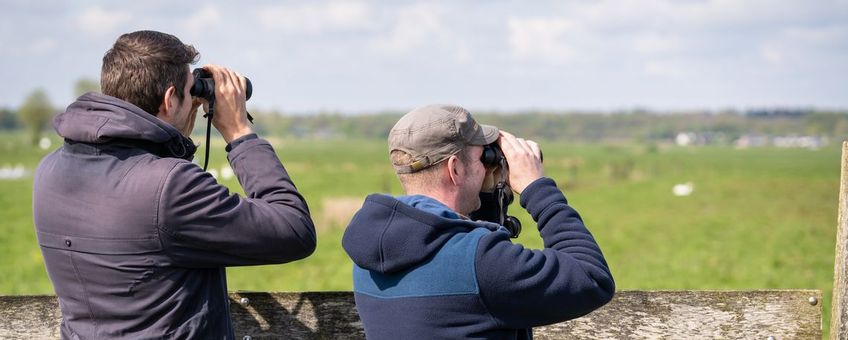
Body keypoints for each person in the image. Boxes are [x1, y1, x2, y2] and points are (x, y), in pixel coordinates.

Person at [32, 30, 316, 339]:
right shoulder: (169, 187)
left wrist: (174, 134)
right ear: (169, 99)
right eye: (191, 89)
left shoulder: (50, 171)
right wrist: (239, 134)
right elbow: (293, 228)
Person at [342, 104, 615, 339]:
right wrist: (536, 186)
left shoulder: (370, 254)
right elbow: (591, 278)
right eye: (482, 157)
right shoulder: (482, 262)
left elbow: (462, 285)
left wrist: (483, 192)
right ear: (455, 168)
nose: (488, 165)